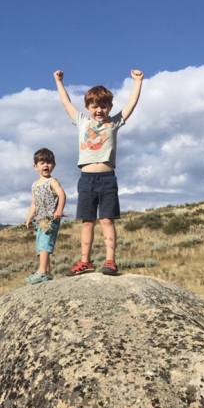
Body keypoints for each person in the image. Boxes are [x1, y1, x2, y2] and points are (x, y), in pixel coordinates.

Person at [53, 68, 144, 276]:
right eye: (94, 107)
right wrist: (59, 82)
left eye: (103, 106)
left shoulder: (114, 122)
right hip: (86, 180)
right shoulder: (82, 122)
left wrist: (137, 82)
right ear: (87, 107)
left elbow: (130, 104)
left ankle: (110, 261)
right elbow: (66, 103)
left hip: (107, 179)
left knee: (106, 220)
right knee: (87, 221)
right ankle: (85, 261)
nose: (99, 110)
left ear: (110, 107)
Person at [25, 148, 66, 284]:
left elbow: (61, 195)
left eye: (49, 162)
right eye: (42, 163)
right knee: (40, 245)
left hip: (50, 219)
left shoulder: (52, 181)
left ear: (53, 165)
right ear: (35, 166)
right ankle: (46, 271)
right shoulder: (34, 185)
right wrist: (29, 218)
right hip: (40, 221)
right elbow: (34, 203)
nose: (46, 165)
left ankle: (42, 271)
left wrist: (59, 210)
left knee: (45, 245)